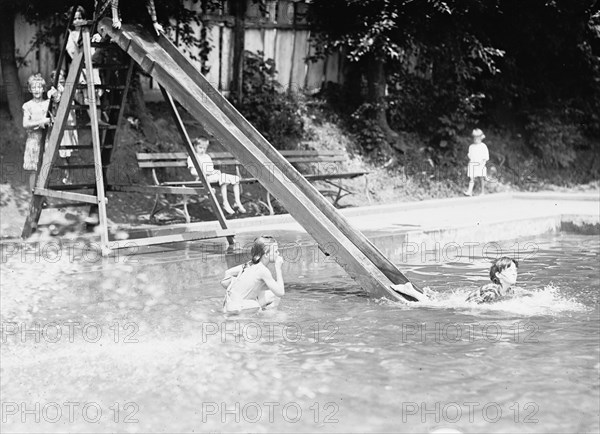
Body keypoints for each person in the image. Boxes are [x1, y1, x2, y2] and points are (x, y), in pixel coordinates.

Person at [221, 236, 285, 314]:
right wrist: (278, 268)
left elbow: (227, 273)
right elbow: (281, 292)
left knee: (272, 295)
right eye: (276, 251)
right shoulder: (263, 270)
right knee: (276, 297)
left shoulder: (249, 264)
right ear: (266, 254)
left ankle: (258, 312)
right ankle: (266, 318)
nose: (278, 253)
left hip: (229, 304)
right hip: (238, 308)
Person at [66, 6, 106, 126]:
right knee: (86, 95)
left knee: (95, 92)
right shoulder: (72, 35)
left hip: (91, 65)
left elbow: (94, 48)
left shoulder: (87, 32)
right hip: (81, 66)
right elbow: (71, 50)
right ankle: (92, 118)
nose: (78, 21)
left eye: (80, 18)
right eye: (75, 18)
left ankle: (98, 118)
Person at [187, 138, 246, 215]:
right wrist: (205, 173)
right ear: (195, 146)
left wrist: (214, 171)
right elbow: (193, 172)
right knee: (223, 178)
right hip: (201, 179)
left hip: (211, 176)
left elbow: (210, 169)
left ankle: (237, 202)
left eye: (204, 148)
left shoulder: (207, 157)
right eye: (200, 148)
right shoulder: (192, 157)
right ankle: (225, 203)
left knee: (235, 178)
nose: (202, 150)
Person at [48, 69, 78, 184]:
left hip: (69, 121)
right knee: (63, 152)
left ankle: (69, 176)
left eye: (62, 76)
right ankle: (66, 175)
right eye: (58, 76)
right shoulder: (54, 90)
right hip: (62, 123)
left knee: (67, 152)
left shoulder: (67, 88)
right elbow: (54, 102)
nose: (61, 78)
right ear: (53, 79)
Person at [22, 74, 52, 192]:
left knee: (45, 168)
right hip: (34, 140)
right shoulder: (28, 106)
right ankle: (34, 196)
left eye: (39, 87)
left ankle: (44, 195)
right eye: (33, 88)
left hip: (46, 139)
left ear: (43, 89)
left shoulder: (47, 103)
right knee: (34, 169)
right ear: (30, 89)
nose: (36, 90)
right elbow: (25, 124)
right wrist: (40, 121)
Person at [464, 128, 489, 196]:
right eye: (474, 138)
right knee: (472, 178)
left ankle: (482, 192)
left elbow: (485, 156)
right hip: (473, 164)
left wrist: (483, 163)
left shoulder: (483, 146)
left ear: (480, 138)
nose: (475, 140)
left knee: (481, 178)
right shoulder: (471, 146)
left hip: (480, 164)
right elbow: (470, 155)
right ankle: (469, 191)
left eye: (477, 138)